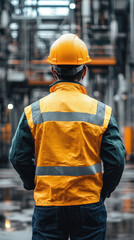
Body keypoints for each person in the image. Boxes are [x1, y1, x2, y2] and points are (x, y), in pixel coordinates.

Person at [9, 33, 125, 240]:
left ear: (53, 71)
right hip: (88, 204)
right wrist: (103, 191)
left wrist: (33, 183)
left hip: (49, 204)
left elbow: (17, 157)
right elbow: (116, 161)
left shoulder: (33, 112)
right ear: (85, 71)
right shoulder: (101, 112)